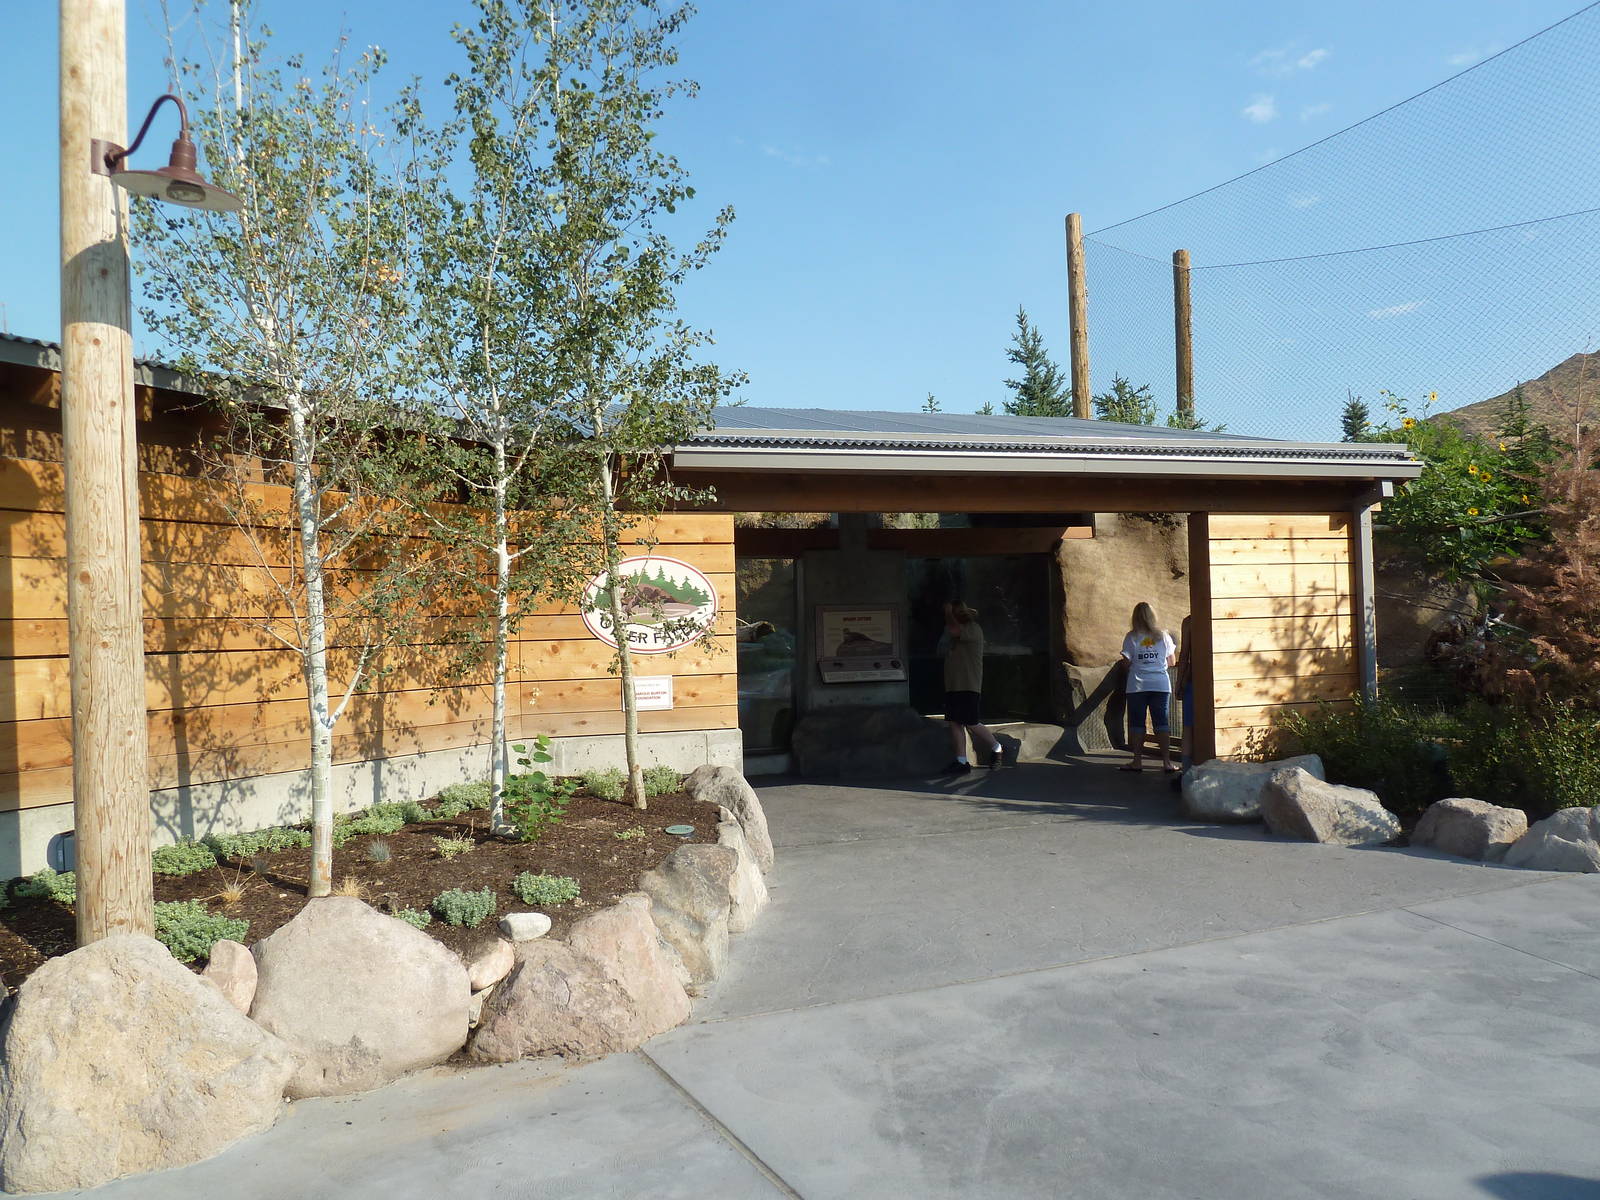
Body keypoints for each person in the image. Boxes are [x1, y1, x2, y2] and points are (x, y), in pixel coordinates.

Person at [939, 600, 1001, 774]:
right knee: (954, 722)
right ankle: (961, 761)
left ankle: (996, 747)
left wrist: (948, 613)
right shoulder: (956, 636)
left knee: (970, 722)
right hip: (953, 685)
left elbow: (954, 629)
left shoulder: (973, 629)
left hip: (968, 685)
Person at [1119, 602, 1177, 774]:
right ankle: (1167, 762)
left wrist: (1140, 663)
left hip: (1137, 684)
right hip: (1160, 684)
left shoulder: (1131, 637)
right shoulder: (1164, 636)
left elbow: (1126, 663)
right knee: (1162, 722)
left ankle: (1137, 761)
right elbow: (1172, 661)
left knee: (1137, 723)